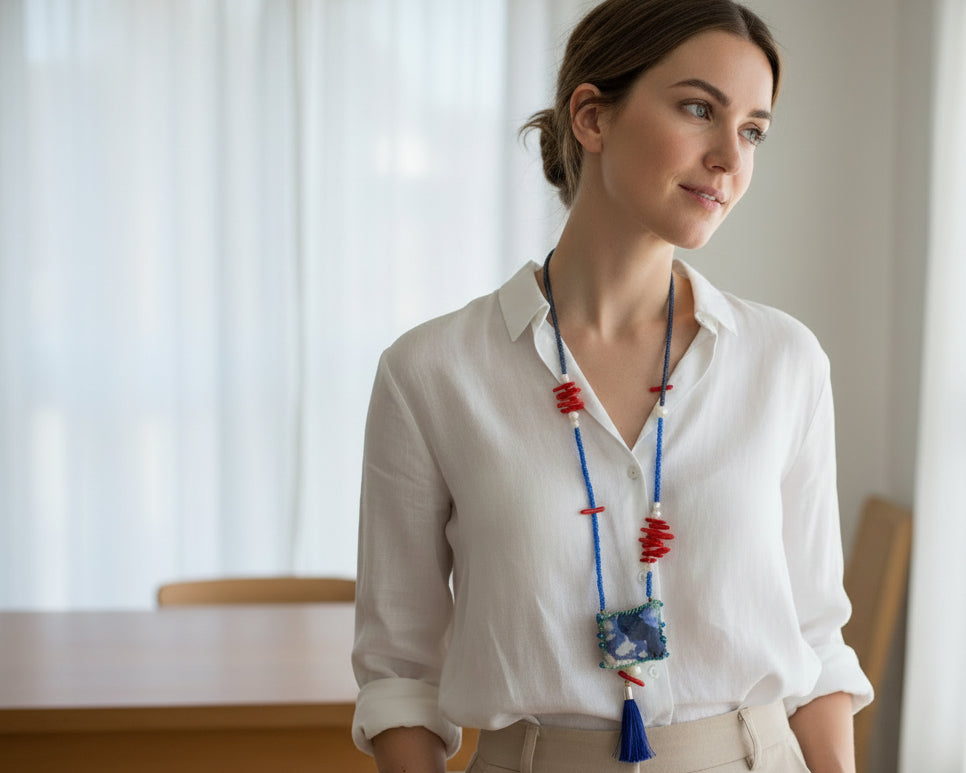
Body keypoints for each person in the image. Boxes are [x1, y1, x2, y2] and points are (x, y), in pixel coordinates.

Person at [351, 1, 873, 771]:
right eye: (700, 109)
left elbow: (817, 639)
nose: (731, 156)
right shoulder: (431, 373)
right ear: (592, 118)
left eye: (754, 130)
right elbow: (400, 671)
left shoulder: (784, 361)